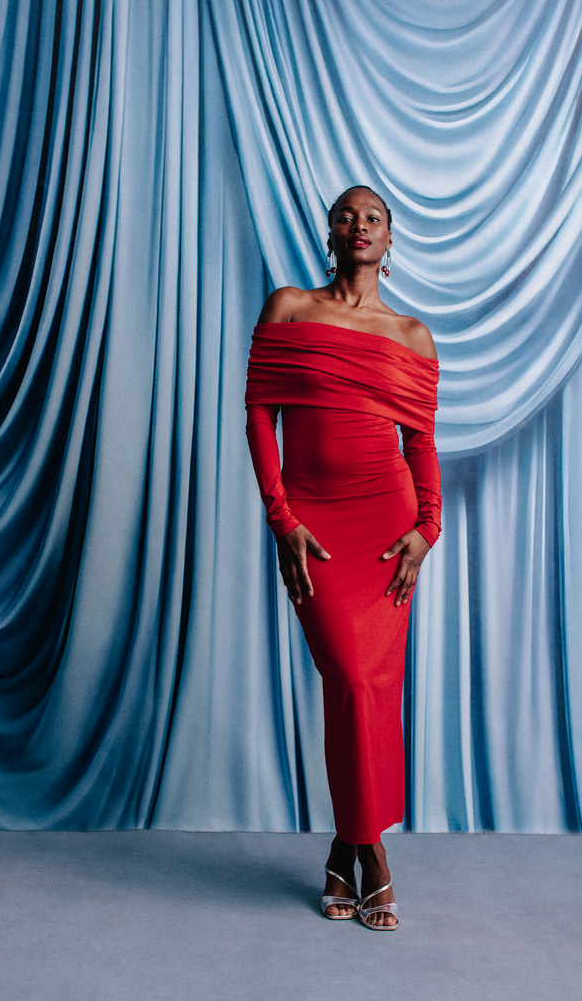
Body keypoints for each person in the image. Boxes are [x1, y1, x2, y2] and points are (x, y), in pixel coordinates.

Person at [245, 186, 441, 929]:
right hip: (315, 527)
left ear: (390, 240)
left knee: (370, 685)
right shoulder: (289, 308)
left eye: (373, 218)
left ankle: (351, 848)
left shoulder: (412, 335)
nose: (358, 225)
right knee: (349, 677)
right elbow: (259, 414)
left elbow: (420, 443)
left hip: (387, 525)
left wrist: (428, 528)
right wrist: (281, 519)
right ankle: (370, 853)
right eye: (345, 216)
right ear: (328, 233)